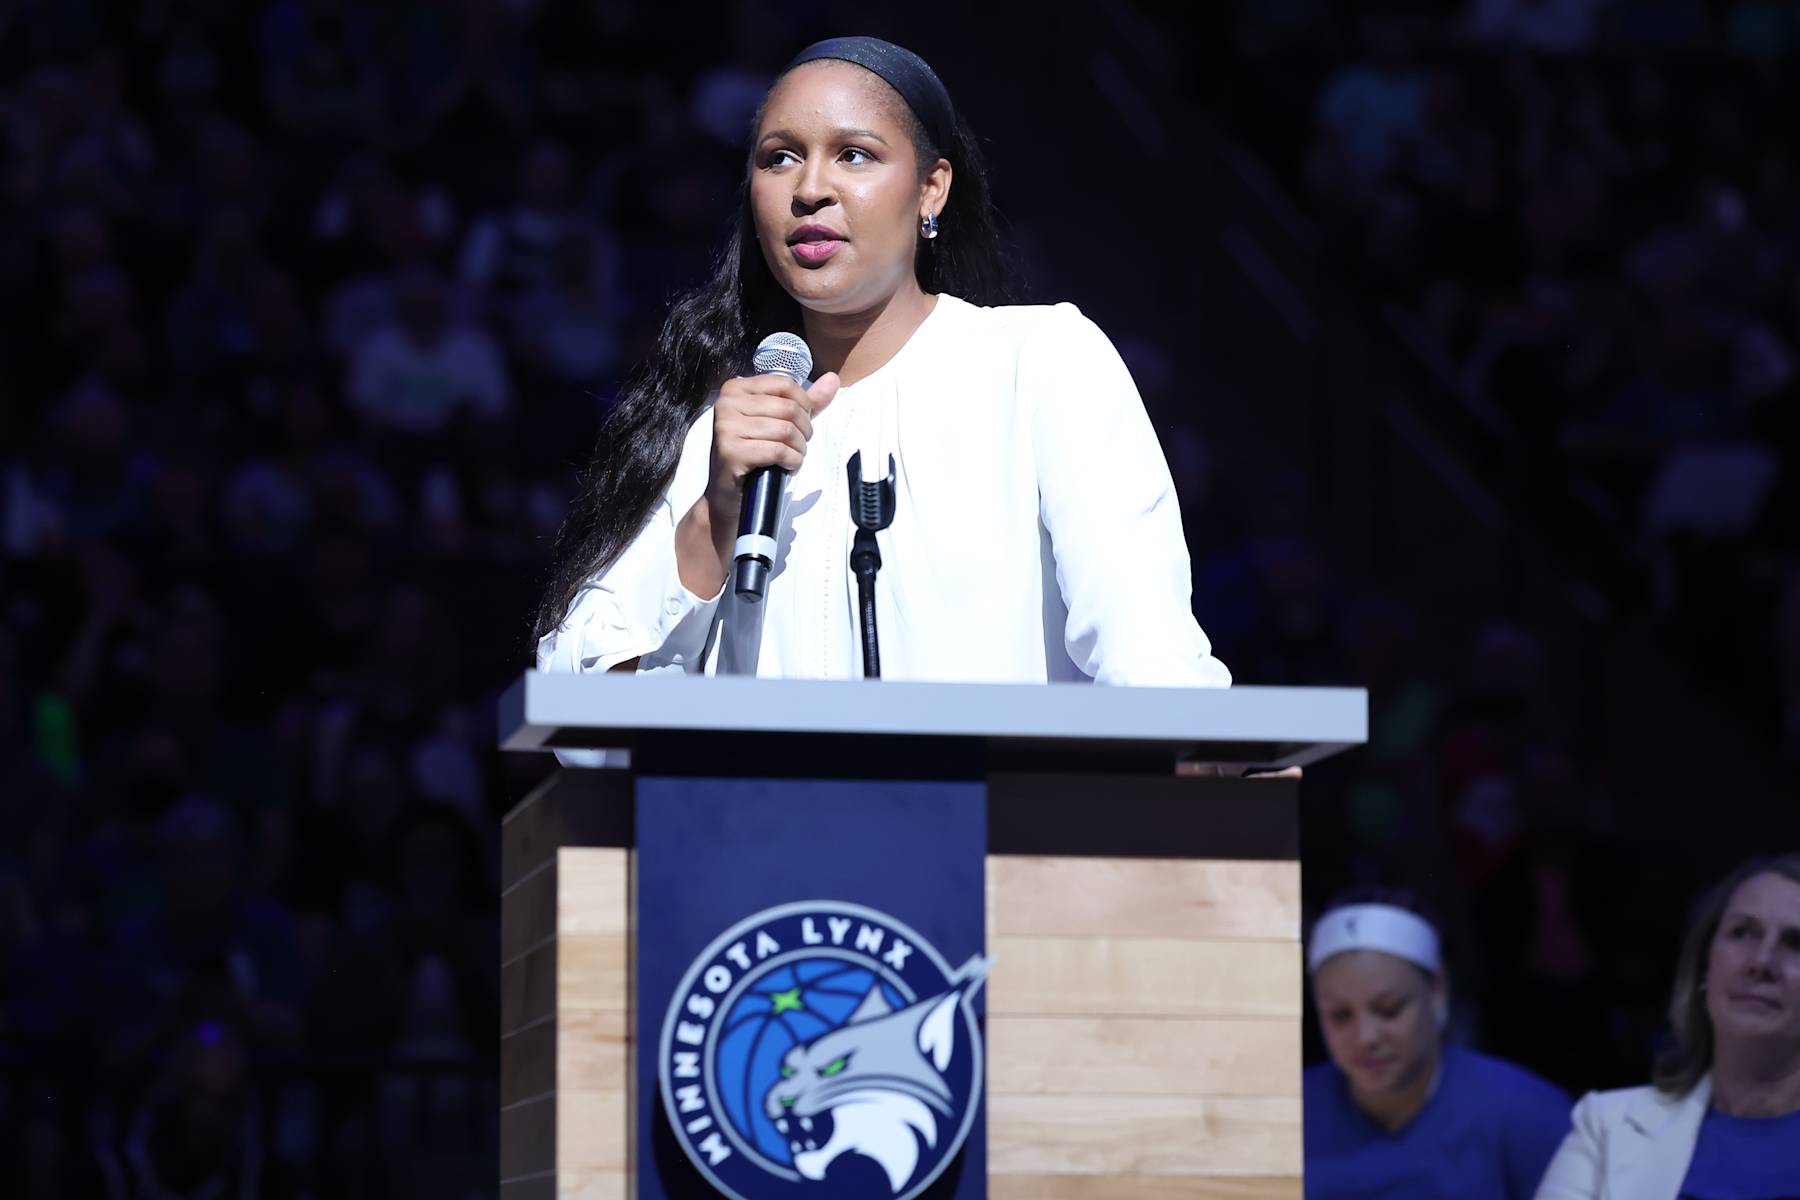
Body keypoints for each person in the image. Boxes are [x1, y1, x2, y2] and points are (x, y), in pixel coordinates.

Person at [534, 36, 1229, 685]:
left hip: (1006, 815)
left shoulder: (1038, 365)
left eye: (854, 154)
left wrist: (1209, 767)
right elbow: (578, 707)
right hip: (766, 817)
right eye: (780, 157)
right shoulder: (720, 432)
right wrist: (713, 519)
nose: (810, 188)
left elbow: (1147, 649)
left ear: (931, 189)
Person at [1534, 853, 1800, 1200]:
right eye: (1743, 933)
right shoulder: (1607, 1127)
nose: (1762, 962)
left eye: (1796, 943)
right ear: (1705, 968)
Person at [1305, 889, 1570, 1198]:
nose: (1366, 1037)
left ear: (1437, 991)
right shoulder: (1292, 1113)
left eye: (1389, 1009)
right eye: (1340, 1016)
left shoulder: (1524, 1113)